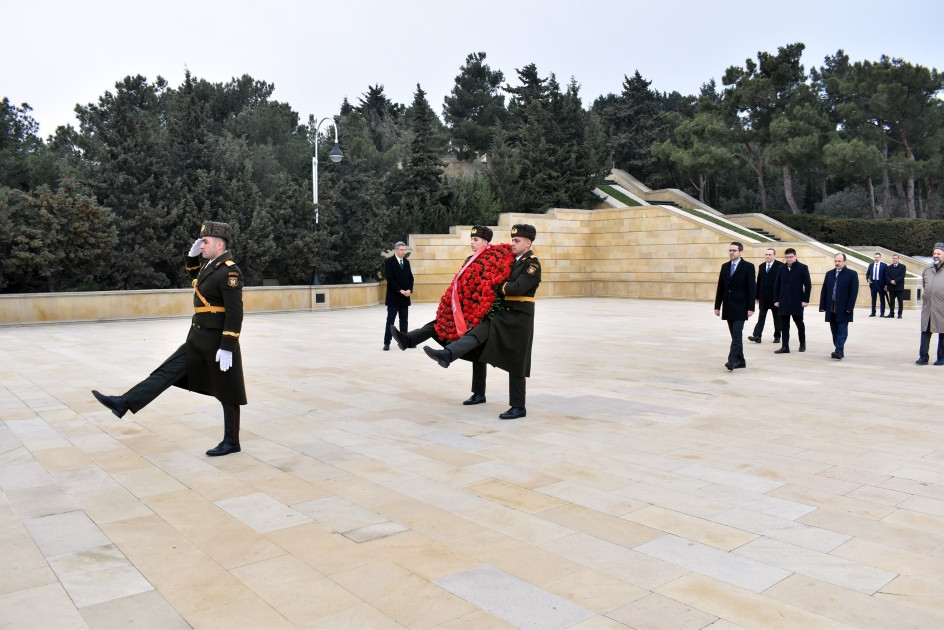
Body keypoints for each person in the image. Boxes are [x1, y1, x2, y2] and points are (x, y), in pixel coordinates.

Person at [91, 221, 247, 457]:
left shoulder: (230, 272)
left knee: (228, 391)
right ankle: (124, 402)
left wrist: (227, 346)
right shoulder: (211, 268)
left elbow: (235, 313)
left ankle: (231, 441)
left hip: (217, 342)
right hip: (196, 338)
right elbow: (198, 280)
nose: (201, 245)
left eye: (205, 242)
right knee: (165, 372)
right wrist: (192, 258)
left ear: (219, 243)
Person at [423, 224, 542, 420]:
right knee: (477, 336)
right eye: (512, 240)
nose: (512, 243)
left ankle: (518, 406)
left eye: (517, 240)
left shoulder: (532, 264)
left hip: (520, 318)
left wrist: (494, 284)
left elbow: (517, 288)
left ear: (528, 243)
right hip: (503, 314)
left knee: (517, 360)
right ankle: (449, 356)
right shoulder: (512, 261)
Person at [390, 225, 506, 384]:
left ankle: (478, 392)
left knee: (478, 352)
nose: (472, 242)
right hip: (464, 308)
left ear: (485, 242)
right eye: (471, 239)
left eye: (475, 239)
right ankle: (408, 339)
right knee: (438, 324)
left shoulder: (492, 259)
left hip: (479, 310)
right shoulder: (469, 259)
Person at [714, 242, 756, 370]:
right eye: (730, 250)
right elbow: (720, 287)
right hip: (728, 306)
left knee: (737, 333)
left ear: (740, 252)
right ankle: (741, 360)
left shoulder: (748, 267)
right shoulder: (725, 266)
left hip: (741, 306)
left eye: (734, 250)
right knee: (735, 335)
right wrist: (717, 306)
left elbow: (751, 288)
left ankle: (731, 361)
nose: (731, 252)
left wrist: (751, 307)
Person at [819, 253, 859, 359]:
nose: (837, 263)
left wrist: (850, 307)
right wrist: (822, 305)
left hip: (844, 307)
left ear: (845, 262)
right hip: (831, 307)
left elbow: (853, 293)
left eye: (839, 261)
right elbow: (824, 290)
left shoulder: (852, 274)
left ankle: (838, 350)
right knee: (834, 330)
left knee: (842, 329)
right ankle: (839, 349)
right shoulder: (829, 274)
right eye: (835, 261)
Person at [773, 248, 811, 354]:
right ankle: (785, 346)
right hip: (783, 301)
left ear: (795, 256)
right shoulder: (781, 268)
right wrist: (776, 299)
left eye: (790, 257)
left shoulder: (802, 268)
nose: (788, 259)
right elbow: (777, 285)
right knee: (784, 325)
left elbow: (807, 285)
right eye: (787, 257)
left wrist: (805, 300)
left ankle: (802, 343)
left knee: (799, 323)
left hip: (797, 301)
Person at [916, 243, 944, 365]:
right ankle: (923, 356)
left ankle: (941, 357)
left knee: (943, 332)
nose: (936, 256)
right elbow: (924, 285)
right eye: (934, 253)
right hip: (928, 306)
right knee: (925, 331)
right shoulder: (927, 269)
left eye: (939, 253)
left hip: (942, 307)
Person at [382, 241, 413, 351]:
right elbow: (390, 279)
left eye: (404, 250)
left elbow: (410, 278)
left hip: (405, 297)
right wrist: (400, 290)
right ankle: (387, 342)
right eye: (401, 250)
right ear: (396, 250)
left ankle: (404, 341)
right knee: (390, 321)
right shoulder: (389, 262)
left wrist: (409, 289)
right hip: (393, 297)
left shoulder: (406, 262)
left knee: (404, 321)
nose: (403, 252)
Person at [748, 247, 782, 344]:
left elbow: (781, 283)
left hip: (775, 298)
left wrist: (780, 298)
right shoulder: (761, 266)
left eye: (769, 254)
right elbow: (759, 281)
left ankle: (777, 336)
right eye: (766, 254)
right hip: (763, 297)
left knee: (777, 318)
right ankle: (757, 335)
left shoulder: (780, 266)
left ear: (774, 255)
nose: (767, 256)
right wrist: (757, 296)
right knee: (761, 317)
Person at [885, 254, 907, 319]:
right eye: (893, 258)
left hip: (899, 287)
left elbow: (902, 276)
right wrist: (891, 281)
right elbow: (886, 276)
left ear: (898, 259)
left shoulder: (902, 267)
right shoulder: (889, 267)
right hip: (891, 287)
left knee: (900, 301)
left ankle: (899, 314)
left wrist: (895, 281)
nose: (894, 259)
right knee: (891, 301)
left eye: (896, 258)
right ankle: (891, 313)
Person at [866, 252, 888, 317]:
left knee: (882, 299)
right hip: (873, 284)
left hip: (881, 284)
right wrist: (868, 279)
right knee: (873, 299)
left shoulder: (884, 265)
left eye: (877, 257)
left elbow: (886, 276)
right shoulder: (871, 265)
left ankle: (882, 313)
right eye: (875, 257)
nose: (876, 258)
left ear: (880, 257)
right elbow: (868, 273)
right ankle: (873, 312)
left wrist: (886, 285)